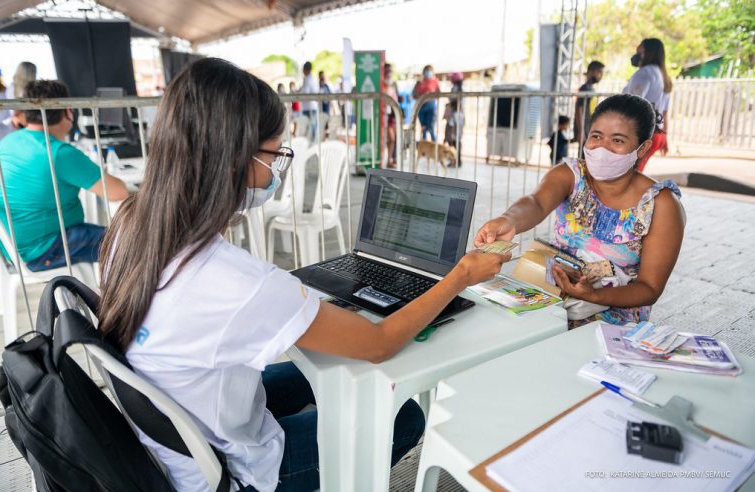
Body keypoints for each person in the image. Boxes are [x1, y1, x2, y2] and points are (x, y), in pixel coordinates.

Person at [98, 58, 508, 492]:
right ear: (236, 157)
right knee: (404, 415)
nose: (278, 169)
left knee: (329, 372)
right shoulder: (232, 281)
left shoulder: (131, 223)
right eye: (276, 154)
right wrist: (460, 275)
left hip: (173, 437)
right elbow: (378, 344)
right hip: (227, 474)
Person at [475, 94, 685, 328]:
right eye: (596, 136)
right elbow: (537, 202)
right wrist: (508, 220)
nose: (602, 148)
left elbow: (649, 288)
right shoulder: (571, 175)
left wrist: (594, 296)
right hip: (553, 303)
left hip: (612, 322)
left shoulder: (661, 205)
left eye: (617, 140)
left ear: (642, 148)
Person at [0, 80, 129, 271]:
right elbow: (119, 192)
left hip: (11, 248)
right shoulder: (58, 152)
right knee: (133, 243)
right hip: (45, 249)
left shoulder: (9, 141)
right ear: (67, 111)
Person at [624, 38, 672, 171]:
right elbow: (664, 112)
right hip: (658, 134)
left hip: (644, 134)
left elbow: (632, 104)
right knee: (634, 174)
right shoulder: (663, 76)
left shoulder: (644, 73)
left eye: (640, 51)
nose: (636, 55)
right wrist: (665, 137)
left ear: (649, 53)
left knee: (628, 177)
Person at [573, 61, 604, 154]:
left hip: (589, 128)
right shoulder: (585, 88)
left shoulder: (591, 88)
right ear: (591, 71)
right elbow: (579, 109)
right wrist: (581, 131)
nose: (601, 76)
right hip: (584, 130)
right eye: (599, 72)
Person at [412, 65, 440, 141]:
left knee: (431, 128)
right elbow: (414, 94)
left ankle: (434, 147)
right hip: (421, 107)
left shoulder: (435, 82)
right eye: (426, 70)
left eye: (430, 70)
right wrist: (421, 96)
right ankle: (424, 147)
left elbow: (438, 94)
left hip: (431, 107)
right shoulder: (419, 82)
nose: (428, 72)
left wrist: (430, 97)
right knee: (423, 128)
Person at [7, 61, 37, 130]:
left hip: (15, 124)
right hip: (30, 123)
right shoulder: (32, 89)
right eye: (34, 73)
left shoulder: (11, 88)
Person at [383, 63, 400, 169]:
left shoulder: (393, 86)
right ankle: (387, 160)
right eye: (387, 72)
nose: (389, 75)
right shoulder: (382, 87)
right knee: (390, 139)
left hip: (392, 117)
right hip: (384, 117)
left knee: (392, 140)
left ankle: (389, 160)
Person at [300, 61, 319, 141]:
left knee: (310, 128)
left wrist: (299, 93)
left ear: (305, 69)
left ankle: (310, 143)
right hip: (313, 106)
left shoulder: (307, 79)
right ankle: (313, 142)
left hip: (308, 108)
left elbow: (305, 93)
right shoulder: (313, 79)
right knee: (313, 126)